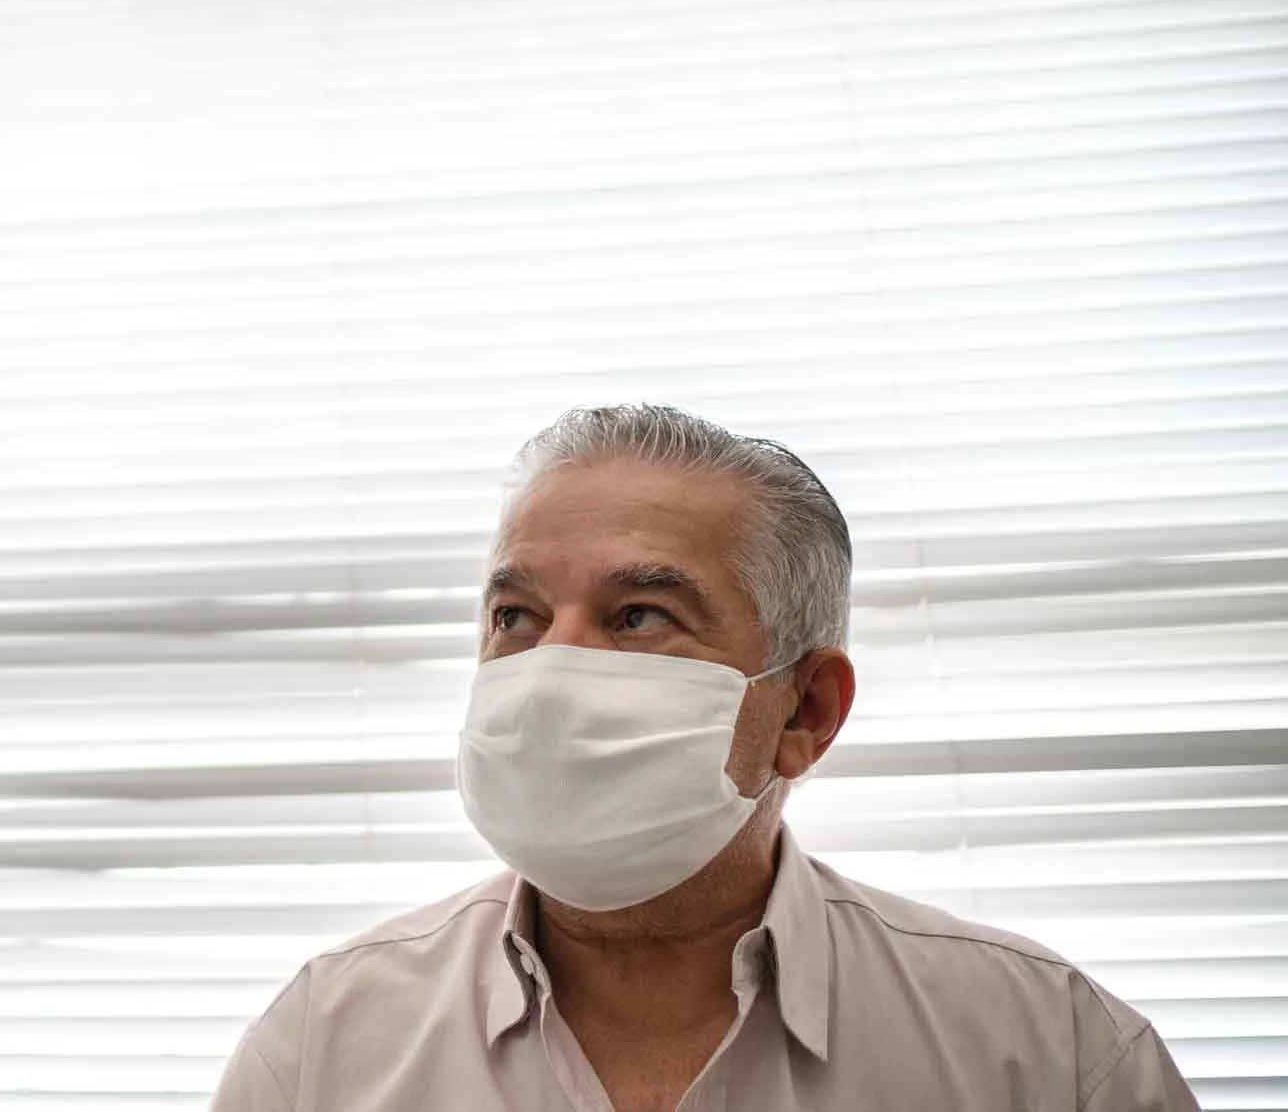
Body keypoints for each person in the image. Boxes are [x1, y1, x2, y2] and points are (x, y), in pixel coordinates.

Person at [212, 405, 1198, 1112]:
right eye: (516, 616)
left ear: (805, 711)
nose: (551, 672)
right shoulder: (322, 1048)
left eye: (639, 616)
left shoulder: (1047, 1055)